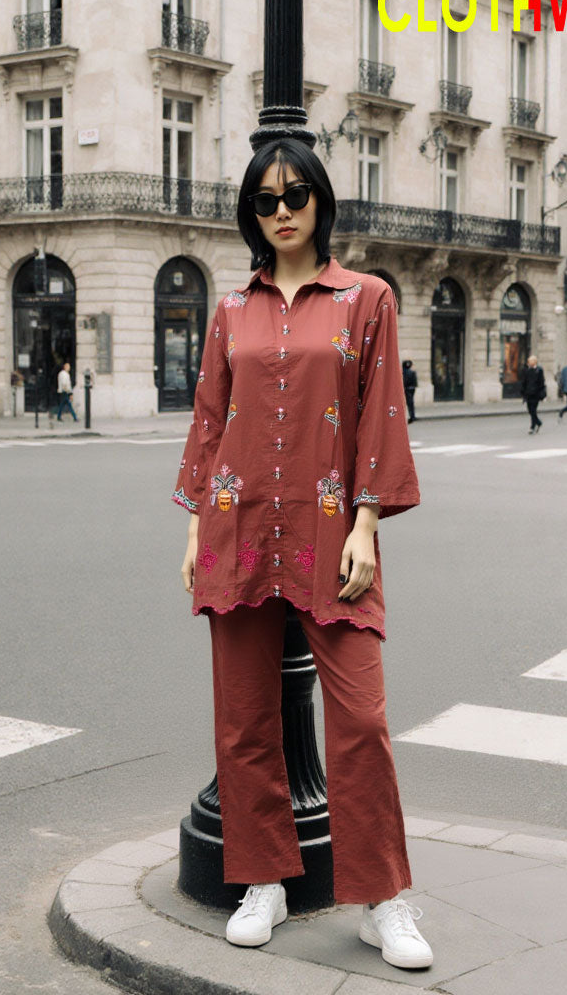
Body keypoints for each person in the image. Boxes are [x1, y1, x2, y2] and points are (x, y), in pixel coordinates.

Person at [172, 138, 432, 970]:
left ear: (321, 199)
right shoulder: (232, 310)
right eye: (263, 200)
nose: (281, 211)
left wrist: (366, 522)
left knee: (361, 719)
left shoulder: (367, 299)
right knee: (244, 719)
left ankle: (385, 900)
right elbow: (211, 420)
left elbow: (380, 411)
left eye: (295, 195)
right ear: (250, 214)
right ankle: (264, 881)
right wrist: (191, 529)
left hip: (331, 531)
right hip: (237, 527)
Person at [520, 355, 545, 434]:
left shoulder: (539, 370)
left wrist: (541, 393)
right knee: (530, 410)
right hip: (528, 393)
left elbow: (541, 382)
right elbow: (524, 382)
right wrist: (523, 393)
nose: (529, 363)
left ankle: (532, 427)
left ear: (535, 362)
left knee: (533, 410)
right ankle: (538, 423)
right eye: (528, 361)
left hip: (536, 394)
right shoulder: (526, 370)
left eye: (530, 361)